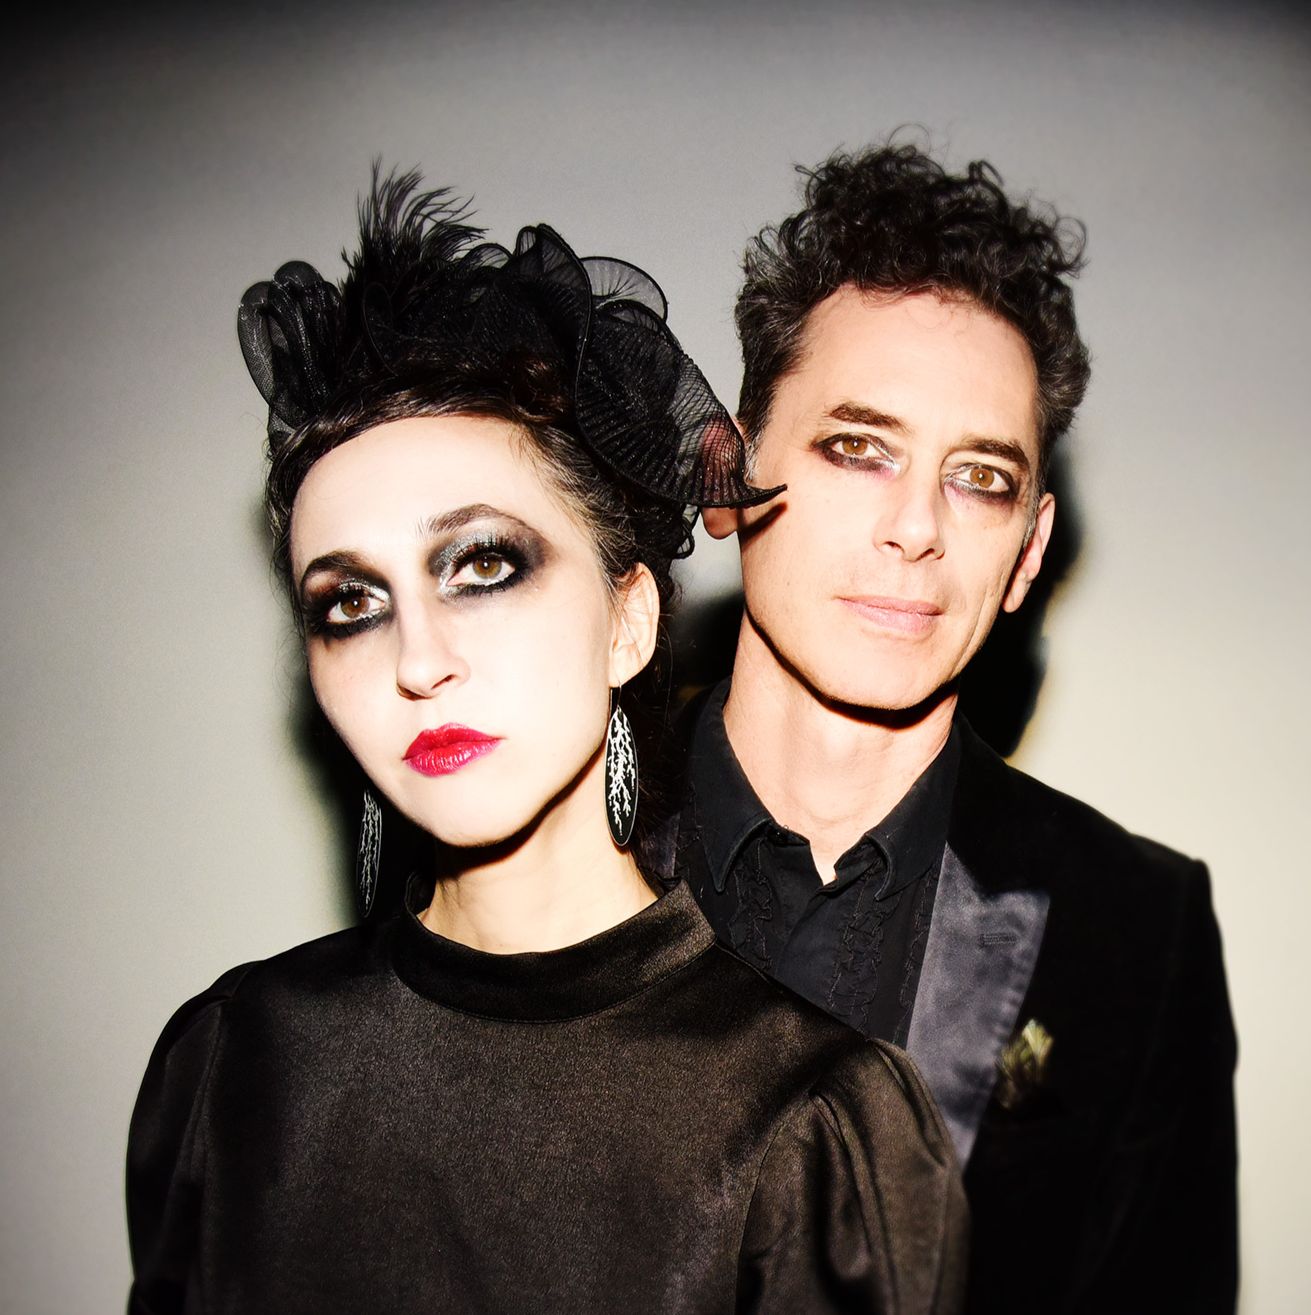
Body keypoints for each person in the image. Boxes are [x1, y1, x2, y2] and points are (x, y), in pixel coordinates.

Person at [124, 170, 967, 1314]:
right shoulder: (233, 1065)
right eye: (350, 603)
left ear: (628, 620)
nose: (417, 658)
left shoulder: (811, 1129)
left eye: (482, 565)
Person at [679, 143, 1237, 1313]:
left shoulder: (1137, 935)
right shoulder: (533, 842)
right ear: (728, 476)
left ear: (1027, 551)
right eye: (858, 447)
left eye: (978, 477)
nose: (917, 526)